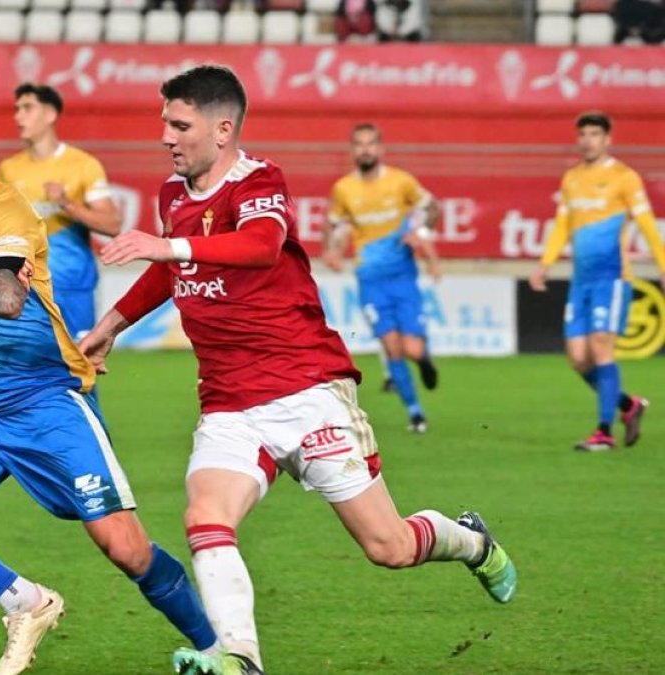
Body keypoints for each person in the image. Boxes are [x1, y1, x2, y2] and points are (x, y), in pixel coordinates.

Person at [78, 66, 516, 675]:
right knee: (206, 516)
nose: (166, 138)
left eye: (179, 125)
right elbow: (168, 268)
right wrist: (108, 327)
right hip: (229, 403)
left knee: (387, 546)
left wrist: (167, 246)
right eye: (164, 125)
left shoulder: (261, 181)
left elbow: (258, 245)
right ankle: (240, 658)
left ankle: (472, 541)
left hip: (307, 390)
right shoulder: (173, 196)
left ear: (223, 128)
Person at [0, 92, 217, 675]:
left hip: (45, 403)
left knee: (125, 548)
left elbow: (7, 295)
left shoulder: (8, 210)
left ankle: (219, 651)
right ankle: (26, 601)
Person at [530, 111, 665, 451]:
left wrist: (662, 266)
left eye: (594, 134)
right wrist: (545, 264)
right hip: (581, 280)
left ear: (608, 139)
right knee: (578, 358)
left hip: (612, 277)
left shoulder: (625, 178)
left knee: (601, 344)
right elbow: (562, 226)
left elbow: (647, 224)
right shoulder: (571, 179)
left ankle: (604, 432)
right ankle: (628, 406)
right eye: (583, 134)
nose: (587, 140)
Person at [322, 123, 442, 433]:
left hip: (403, 276)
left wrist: (422, 233)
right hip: (369, 279)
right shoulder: (344, 188)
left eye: (370, 144)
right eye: (359, 144)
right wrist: (332, 251)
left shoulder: (401, 182)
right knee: (391, 348)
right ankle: (416, 413)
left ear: (380, 148)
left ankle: (425, 360)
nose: (365, 149)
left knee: (413, 350)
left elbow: (432, 207)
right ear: (352, 151)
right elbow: (336, 224)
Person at [0, 84, 121, 338]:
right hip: (26, 287)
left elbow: (112, 224)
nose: (18, 116)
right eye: (17, 109)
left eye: (27, 108)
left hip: (72, 284)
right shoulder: (8, 170)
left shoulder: (83, 165)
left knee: (78, 367)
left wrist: (66, 203)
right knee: (29, 370)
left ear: (51, 114)